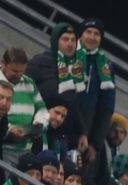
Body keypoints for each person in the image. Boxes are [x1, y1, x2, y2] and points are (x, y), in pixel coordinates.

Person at [0, 47, 46, 162]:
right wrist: (8, 129)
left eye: (22, 71)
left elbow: (42, 109)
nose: (19, 75)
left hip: (25, 152)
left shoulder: (29, 83)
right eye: (15, 71)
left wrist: (38, 124)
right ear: (3, 64)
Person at [25, 23, 86, 158]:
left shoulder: (76, 70)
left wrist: (82, 132)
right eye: (65, 39)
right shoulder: (40, 62)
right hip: (33, 129)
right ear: (55, 41)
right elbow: (24, 89)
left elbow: (74, 105)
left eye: (73, 40)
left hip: (58, 135)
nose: (70, 44)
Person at [72, 18, 115, 174]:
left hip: (86, 135)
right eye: (88, 32)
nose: (92, 37)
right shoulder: (68, 56)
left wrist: (95, 144)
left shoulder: (105, 66)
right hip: (62, 123)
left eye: (96, 34)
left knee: (78, 177)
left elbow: (106, 108)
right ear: (80, 35)